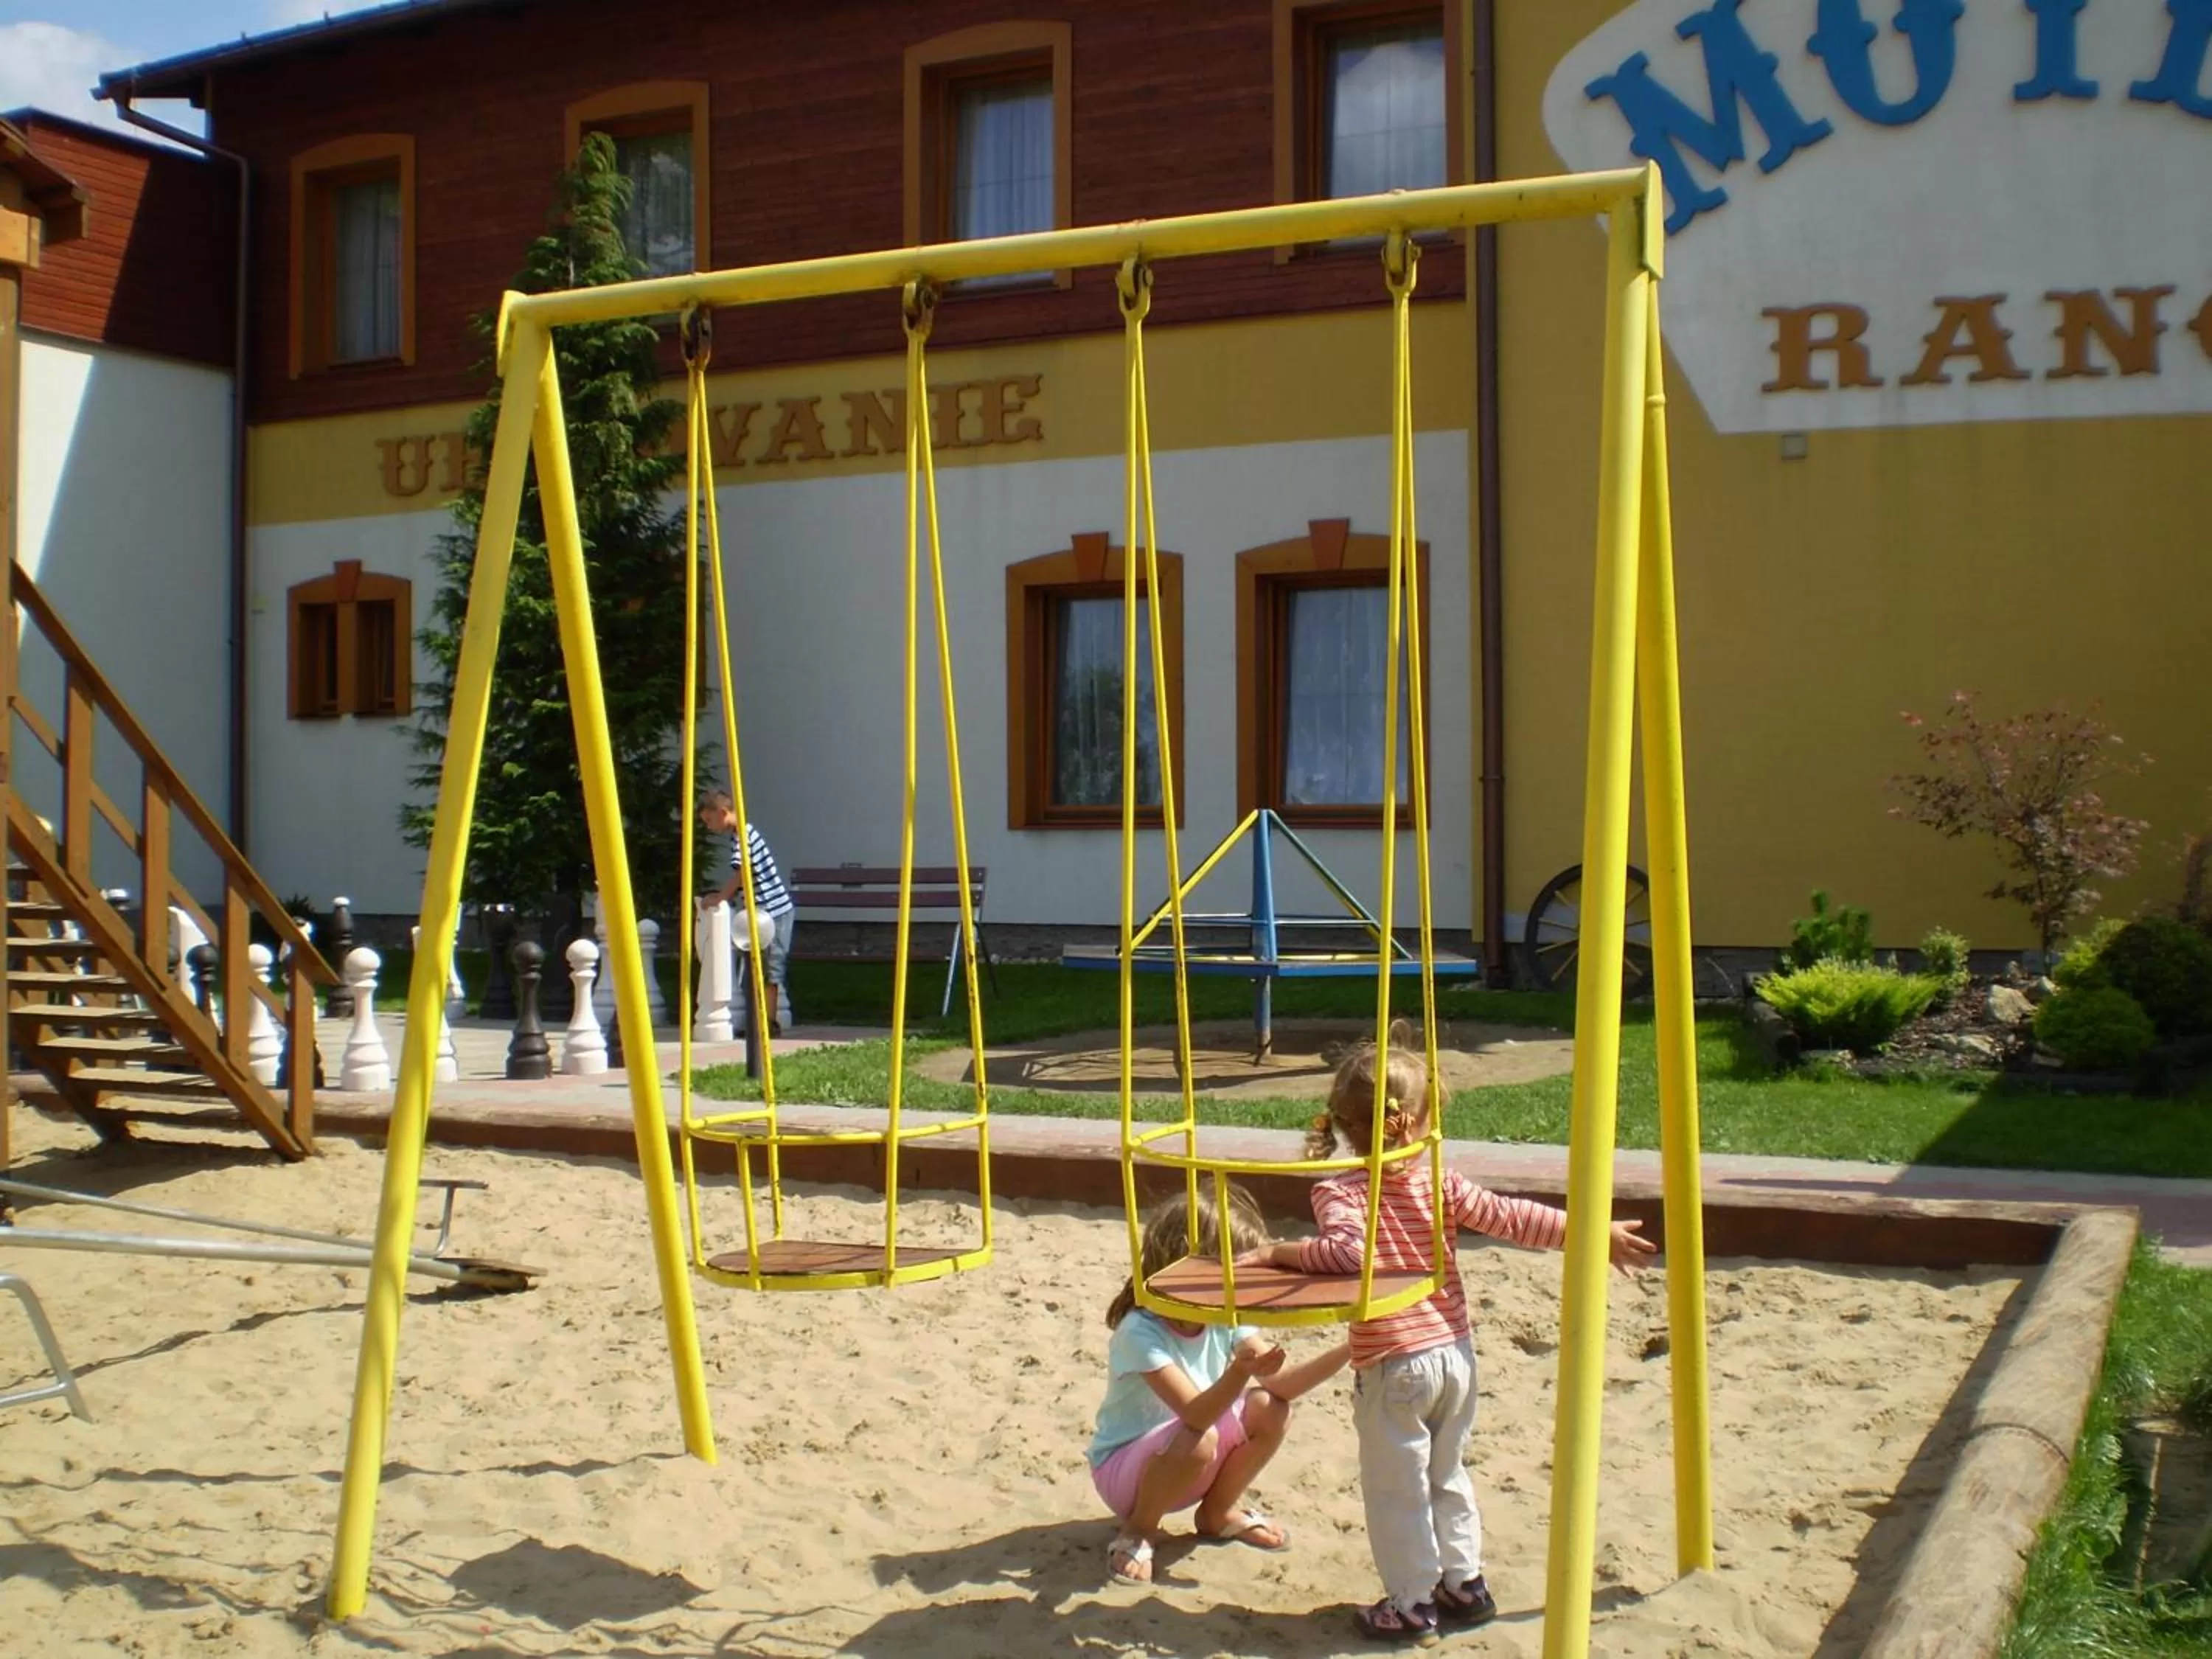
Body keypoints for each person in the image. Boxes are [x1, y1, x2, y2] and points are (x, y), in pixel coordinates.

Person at [1248, 1023, 1656, 1642]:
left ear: (1341, 1122)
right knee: (1448, 1473)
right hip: (1454, 1353)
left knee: (1397, 1489)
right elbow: (1509, 1216)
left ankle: (1411, 1602)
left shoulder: (1341, 1189)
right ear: (1416, 1121)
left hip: (1395, 1362)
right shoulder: (1435, 1179)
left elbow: (1346, 1253)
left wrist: (1282, 1253)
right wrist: (1587, 1230)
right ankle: (1463, 1582)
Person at [1090, 1187, 1351, 1585]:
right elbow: (1196, 1414)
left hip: (1190, 1454)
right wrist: (1240, 1371)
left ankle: (1217, 1512)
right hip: (1128, 1475)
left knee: (1271, 1406)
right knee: (1201, 1435)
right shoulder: (1139, 1332)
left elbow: (1283, 1384)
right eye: (1233, 1275)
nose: (1240, 1288)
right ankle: (1140, 1530)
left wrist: (1352, 1346)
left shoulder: (1221, 1316)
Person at [697, 790, 795, 1033]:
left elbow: (742, 874)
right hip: (763, 910)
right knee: (757, 964)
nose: (709, 827)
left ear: (722, 813)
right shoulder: (740, 835)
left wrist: (721, 898)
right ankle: (760, 1022)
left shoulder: (744, 837)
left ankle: (769, 1023)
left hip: (773, 910)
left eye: (709, 821)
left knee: (770, 966)